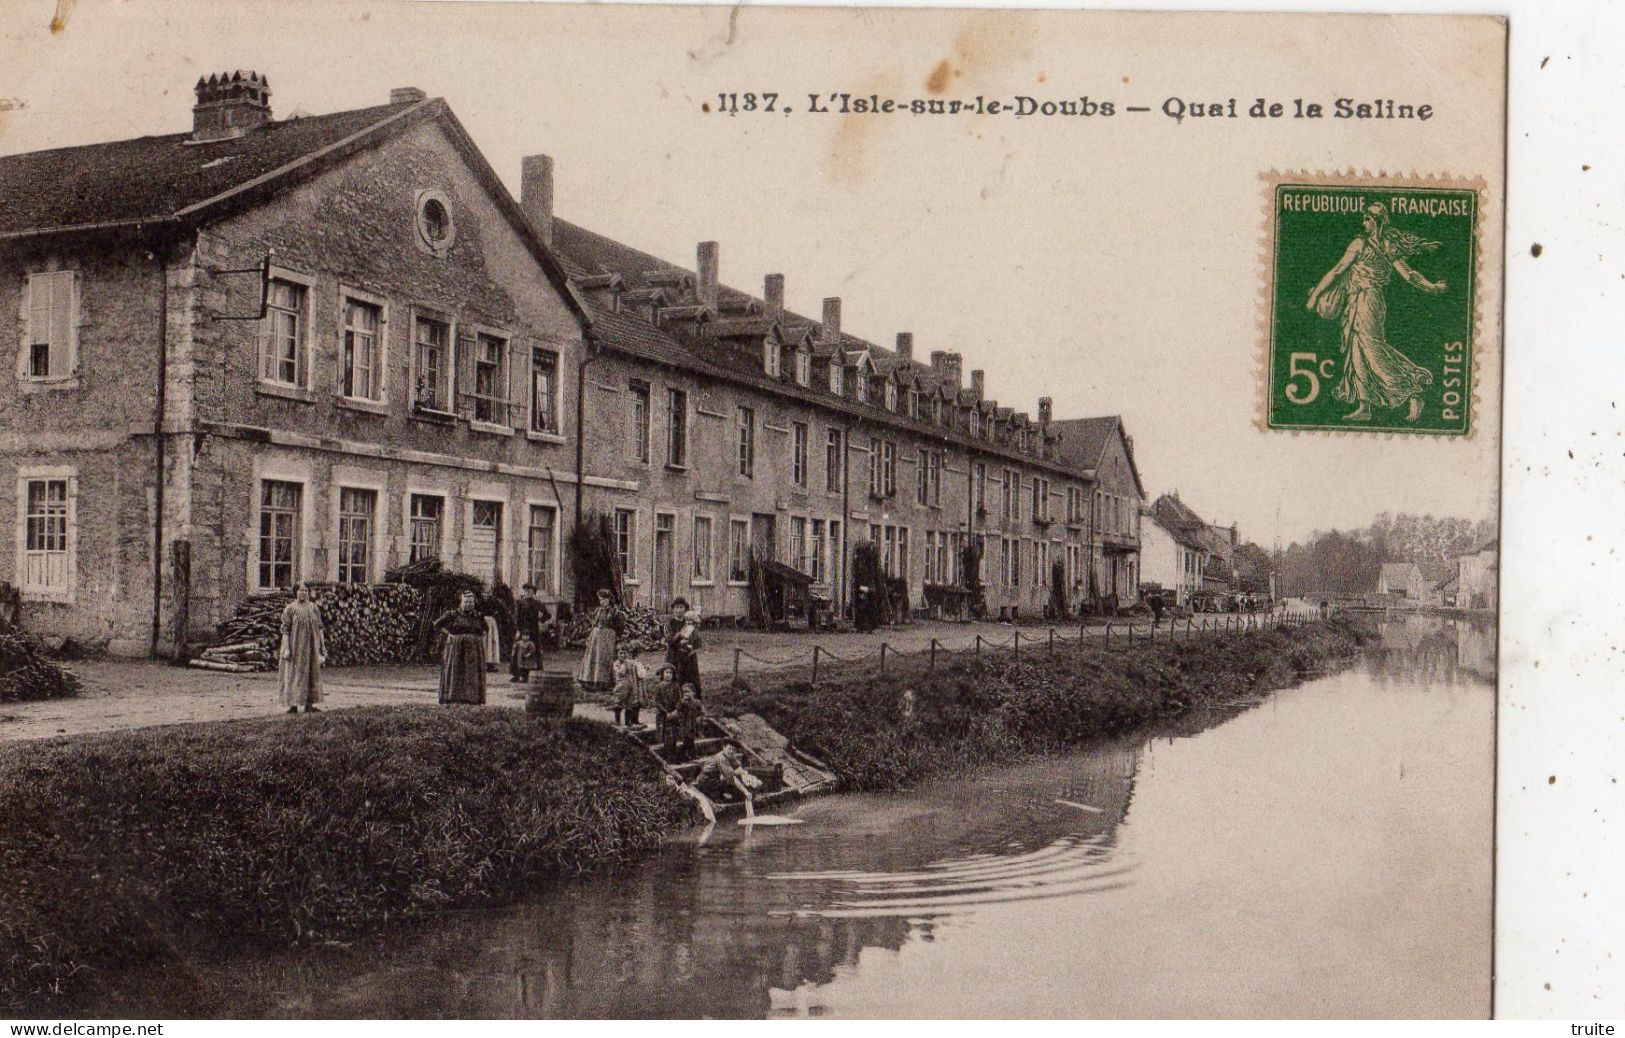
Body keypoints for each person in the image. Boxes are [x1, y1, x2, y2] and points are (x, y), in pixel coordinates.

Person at [1305, 201, 1446, 423]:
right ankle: (1364, 406)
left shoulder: (1366, 245)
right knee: (1357, 351)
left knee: (1371, 349)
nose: (1364, 223)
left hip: (1368, 300)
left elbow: (1338, 270)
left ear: (1377, 221)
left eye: (1368, 219)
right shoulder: (1384, 245)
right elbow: (1408, 275)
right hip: (1356, 300)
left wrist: (1315, 296)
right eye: (1364, 219)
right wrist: (1432, 287)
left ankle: (1413, 388)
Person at [279, 583, 326, 714]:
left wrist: (322, 646)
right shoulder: (290, 609)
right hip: (295, 648)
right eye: (301, 590)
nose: (303, 593)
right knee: (294, 674)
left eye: (306, 590)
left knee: (312, 673)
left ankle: (309, 705)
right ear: (296, 592)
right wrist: (287, 649)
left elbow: (320, 629)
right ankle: (293, 705)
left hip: (311, 648)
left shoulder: (314, 608)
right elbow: (286, 631)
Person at [435, 589, 488, 705]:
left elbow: (485, 629)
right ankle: (453, 697)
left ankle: (472, 698)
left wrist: (476, 639)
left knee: (472, 672)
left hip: (473, 650)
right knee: (456, 671)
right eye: (466, 602)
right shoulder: (452, 614)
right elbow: (437, 625)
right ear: (461, 602)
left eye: (471, 602)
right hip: (456, 649)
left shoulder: (478, 615)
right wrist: (449, 635)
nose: (469, 605)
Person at [574, 588, 621, 696]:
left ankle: (603, 683)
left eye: (605, 600)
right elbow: (594, 622)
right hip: (596, 637)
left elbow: (619, 627)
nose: (602, 602)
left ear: (609, 599)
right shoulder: (598, 610)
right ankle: (589, 681)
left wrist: (612, 634)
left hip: (608, 637)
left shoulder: (615, 612)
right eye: (600, 600)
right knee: (592, 657)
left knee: (604, 658)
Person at [694, 744, 759, 808]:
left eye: (733, 749)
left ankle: (727, 794)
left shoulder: (729, 755)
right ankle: (717, 796)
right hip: (706, 781)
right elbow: (731, 777)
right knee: (730, 781)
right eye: (729, 748)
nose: (731, 751)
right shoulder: (721, 758)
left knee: (732, 777)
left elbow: (738, 765)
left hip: (715, 778)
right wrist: (745, 792)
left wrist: (741, 771)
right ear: (724, 748)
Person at [510, 583, 550, 683]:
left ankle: (535, 674)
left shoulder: (537, 603)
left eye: (530, 591)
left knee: (534, 652)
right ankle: (517, 674)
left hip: (534, 631)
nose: (527, 593)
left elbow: (548, 615)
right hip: (522, 630)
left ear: (533, 593)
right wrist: (518, 630)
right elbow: (517, 618)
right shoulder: (520, 603)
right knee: (518, 651)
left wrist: (541, 620)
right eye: (526, 591)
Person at [665, 597, 703, 699]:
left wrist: (692, 647)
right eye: (676, 607)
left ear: (685, 609)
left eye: (681, 607)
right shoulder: (669, 623)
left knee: (691, 679)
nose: (678, 610)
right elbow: (669, 640)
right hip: (674, 656)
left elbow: (698, 642)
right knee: (673, 679)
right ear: (673, 609)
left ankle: (694, 705)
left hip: (688, 657)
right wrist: (679, 635)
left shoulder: (690, 623)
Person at [611, 644, 649, 728]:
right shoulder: (617, 663)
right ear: (617, 654)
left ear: (628, 654)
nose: (622, 655)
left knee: (630, 704)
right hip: (621, 686)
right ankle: (617, 721)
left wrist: (643, 668)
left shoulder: (630, 662)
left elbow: (637, 672)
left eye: (624, 653)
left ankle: (628, 723)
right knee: (618, 703)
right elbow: (621, 672)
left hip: (631, 685)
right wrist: (625, 664)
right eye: (620, 653)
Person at [651, 664, 682, 759]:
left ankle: (673, 754)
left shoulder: (676, 686)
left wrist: (676, 710)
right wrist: (666, 712)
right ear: (663, 674)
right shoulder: (659, 686)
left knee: (674, 734)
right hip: (663, 715)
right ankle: (667, 755)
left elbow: (679, 700)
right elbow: (657, 702)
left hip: (674, 713)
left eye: (670, 673)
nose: (668, 675)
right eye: (666, 672)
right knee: (666, 735)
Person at [674, 684, 704, 760]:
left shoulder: (697, 702)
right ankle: (685, 754)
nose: (686, 694)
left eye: (688, 692)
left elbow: (702, 711)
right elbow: (677, 708)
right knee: (686, 739)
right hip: (685, 724)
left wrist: (700, 717)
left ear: (693, 692)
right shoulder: (683, 702)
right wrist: (682, 702)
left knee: (692, 739)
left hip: (694, 724)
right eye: (684, 692)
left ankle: (692, 754)